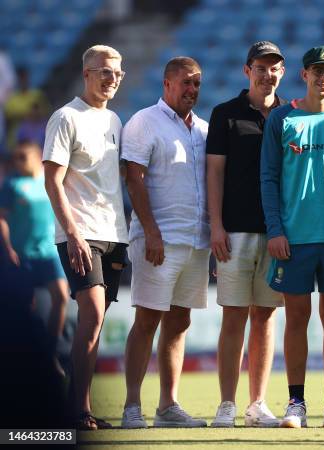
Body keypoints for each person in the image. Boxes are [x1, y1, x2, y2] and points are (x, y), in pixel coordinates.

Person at [261, 46, 324, 428]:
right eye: (316, 71)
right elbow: (268, 178)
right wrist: (275, 230)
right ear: (303, 75)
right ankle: (295, 403)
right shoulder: (282, 118)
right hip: (294, 238)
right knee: (296, 319)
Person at [121, 56, 210, 429]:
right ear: (167, 83)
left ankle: (168, 407)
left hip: (195, 240)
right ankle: (131, 407)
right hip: (157, 240)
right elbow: (133, 179)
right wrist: (151, 231)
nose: (192, 90)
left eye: (197, 84)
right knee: (147, 320)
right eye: (186, 82)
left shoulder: (204, 130)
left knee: (180, 322)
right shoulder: (144, 121)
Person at [43, 45, 129, 430]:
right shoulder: (65, 117)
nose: (112, 79)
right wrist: (73, 232)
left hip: (114, 234)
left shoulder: (114, 119)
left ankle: (80, 409)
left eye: (118, 74)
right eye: (105, 72)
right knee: (92, 315)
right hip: (80, 234)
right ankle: (75, 411)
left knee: (95, 324)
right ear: (87, 73)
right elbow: (52, 180)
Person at [207, 41, 286, 428]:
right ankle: (226, 404)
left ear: (283, 73)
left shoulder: (291, 115)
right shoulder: (225, 114)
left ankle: (257, 404)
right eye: (260, 67)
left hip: (276, 234)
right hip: (234, 232)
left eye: (274, 68)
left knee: (266, 317)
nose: (266, 74)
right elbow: (214, 174)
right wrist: (216, 226)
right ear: (247, 70)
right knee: (234, 316)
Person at [0, 141, 69, 365]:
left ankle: (51, 353)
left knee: (60, 295)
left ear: (37, 156)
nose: (18, 161)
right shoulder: (12, 184)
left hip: (49, 251)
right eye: (16, 156)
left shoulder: (50, 180)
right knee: (25, 306)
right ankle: (24, 359)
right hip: (22, 254)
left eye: (23, 156)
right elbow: (2, 217)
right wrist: (8, 247)